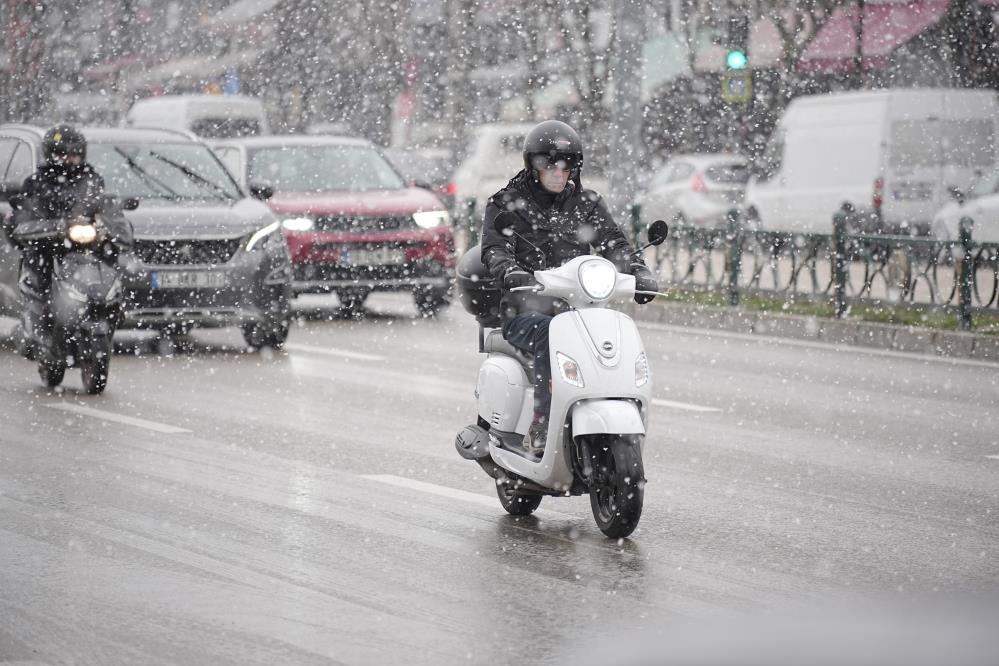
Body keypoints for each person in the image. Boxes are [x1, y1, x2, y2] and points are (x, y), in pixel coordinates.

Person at [480, 120, 658, 455]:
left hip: (581, 308)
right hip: (525, 309)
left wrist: (638, 271)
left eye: (567, 165)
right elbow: (494, 248)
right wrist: (511, 271)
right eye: (549, 164)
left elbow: (614, 244)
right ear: (532, 165)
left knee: (614, 334)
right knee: (552, 333)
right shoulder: (506, 203)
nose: (558, 172)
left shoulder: (587, 203)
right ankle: (542, 425)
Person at [12, 124, 105, 359]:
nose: (70, 159)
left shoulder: (93, 180)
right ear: (51, 153)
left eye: (75, 154)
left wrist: (113, 230)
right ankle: (39, 326)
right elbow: (23, 217)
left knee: (108, 268)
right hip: (48, 247)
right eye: (64, 153)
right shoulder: (36, 183)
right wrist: (52, 227)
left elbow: (107, 210)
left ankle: (106, 309)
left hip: (83, 249)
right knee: (38, 272)